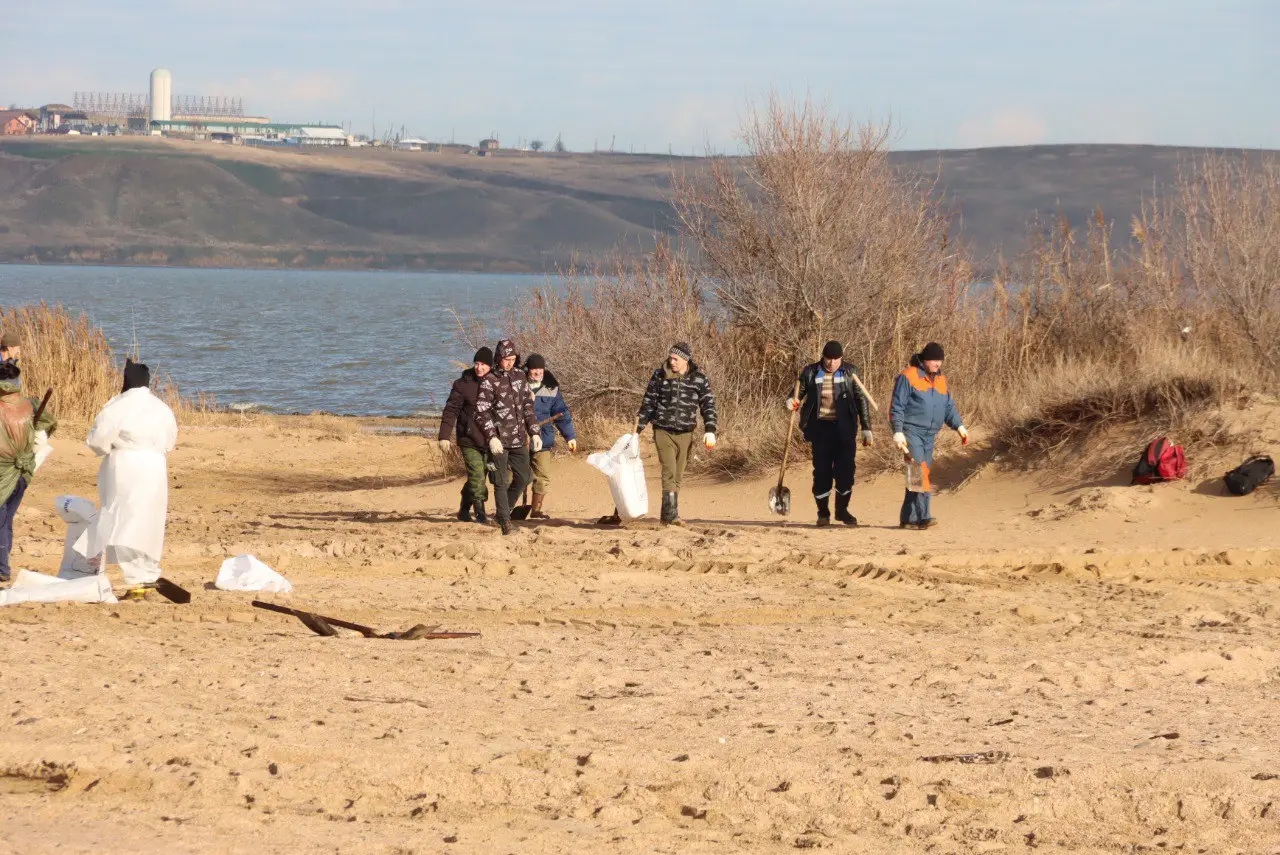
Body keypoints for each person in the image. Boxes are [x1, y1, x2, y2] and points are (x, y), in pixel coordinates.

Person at [78, 360, 179, 593]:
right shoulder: (162, 407)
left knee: (124, 520)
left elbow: (98, 440)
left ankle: (137, 579)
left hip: (125, 465)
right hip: (155, 466)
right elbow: (170, 441)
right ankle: (147, 572)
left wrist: (108, 448)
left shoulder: (117, 405)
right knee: (149, 521)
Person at [786, 340, 873, 526]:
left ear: (841, 358)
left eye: (836, 359)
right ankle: (823, 513)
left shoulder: (851, 372)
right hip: (820, 430)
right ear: (823, 357)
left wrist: (866, 427)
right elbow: (796, 393)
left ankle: (842, 511)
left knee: (846, 473)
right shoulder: (810, 372)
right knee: (822, 473)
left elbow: (861, 400)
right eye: (828, 359)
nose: (831, 363)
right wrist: (791, 402)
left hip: (845, 430)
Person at [635, 342, 717, 526]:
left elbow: (708, 405)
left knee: (678, 474)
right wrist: (637, 429)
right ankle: (669, 516)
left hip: (686, 432)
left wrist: (710, 430)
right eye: (670, 358)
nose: (672, 362)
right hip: (663, 430)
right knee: (669, 469)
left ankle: (671, 513)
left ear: (685, 360)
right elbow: (648, 402)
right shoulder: (659, 376)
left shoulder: (698, 379)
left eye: (676, 359)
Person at [890, 342, 968, 530]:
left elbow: (948, 407)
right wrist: (898, 431)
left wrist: (959, 426)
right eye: (934, 360)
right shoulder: (908, 376)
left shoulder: (941, 380)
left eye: (940, 360)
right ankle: (924, 516)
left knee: (916, 473)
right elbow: (897, 406)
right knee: (919, 471)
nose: (937, 364)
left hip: (929, 435)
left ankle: (908, 518)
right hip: (911, 431)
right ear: (924, 360)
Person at [475, 339, 541, 535]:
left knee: (525, 477)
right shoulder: (489, 380)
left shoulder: (521, 376)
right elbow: (481, 412)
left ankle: (503, 512)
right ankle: (505, 522)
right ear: (498, 358)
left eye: (512, 359)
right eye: (506, 359)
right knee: (501, 481)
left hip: (519, 439)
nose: (510, 362)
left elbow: (527, 407)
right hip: (499, 442)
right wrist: (491, 437)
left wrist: (535, 431)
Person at [0, 360, 56, 583]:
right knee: (6, 519)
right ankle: (3, 563)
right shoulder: (30, 405)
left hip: (5, 472)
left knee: (2, 520)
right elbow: (45, 429)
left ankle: (2, 568)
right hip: (23, 474)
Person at [438, 347, 494, 524]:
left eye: (483, 364)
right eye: (476, 363)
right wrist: (444, 436)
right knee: (477, 475)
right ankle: (480, 514)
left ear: (490, 366)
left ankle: (464, 507)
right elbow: (451, 410)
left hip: (490, 439)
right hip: (468, 438)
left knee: (480, 476)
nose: (479, 367)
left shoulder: (497, 382)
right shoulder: (462, 384)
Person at [524, 354, 576, 519]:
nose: (538, 372)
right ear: (528, 369)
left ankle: (536, 511)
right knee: (513, 476)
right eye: (534, 369)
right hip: (519, 439)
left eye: (540, 368)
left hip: (543, 439)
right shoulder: (518, 385)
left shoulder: (551, 388)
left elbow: (562, 413)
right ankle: (508, 509)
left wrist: (570, 437)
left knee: (543, 475)